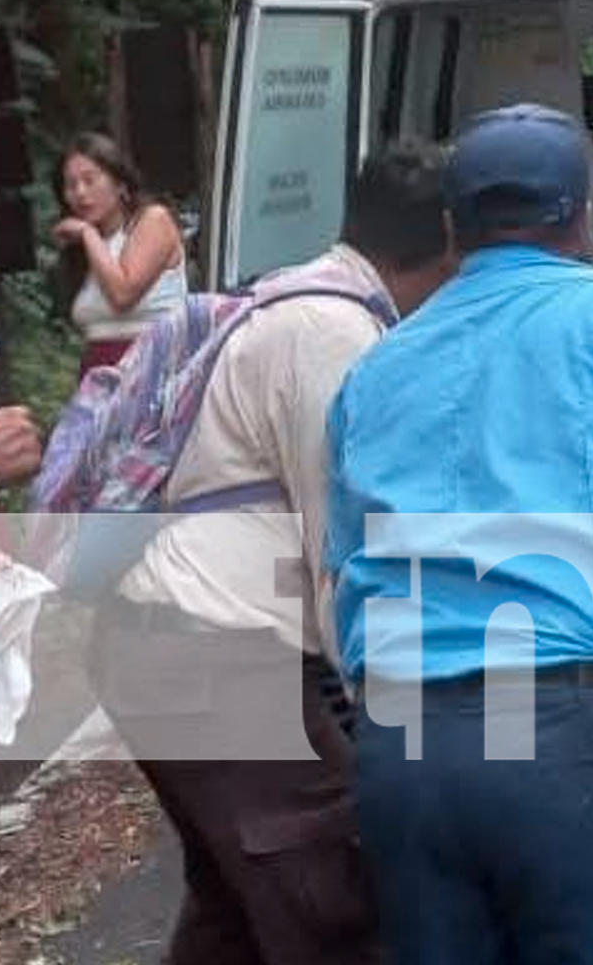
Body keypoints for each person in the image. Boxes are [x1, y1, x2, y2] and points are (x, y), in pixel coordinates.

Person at [326, 103, 593, 965]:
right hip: (570, 732)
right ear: (583, 215)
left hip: (406, 752)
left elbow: (341, 576)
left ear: (449, 226)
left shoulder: (373, 366)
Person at [92, 142, 455, 965]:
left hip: (168, 640)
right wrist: (399, 716)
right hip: (215, 650)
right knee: (334, 906)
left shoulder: (296, 298)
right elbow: (345, 553)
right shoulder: (333, 336)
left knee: (235, 914)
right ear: (446, 237)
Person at [52, 132, 189, 375]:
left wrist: (87, 234)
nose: (81, 193)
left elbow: (123, 295)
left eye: (89, 180)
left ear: (119, 183)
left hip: (156, 370)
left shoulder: (152, 219)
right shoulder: (84, 248)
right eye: (71, 185)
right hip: (99, 380)